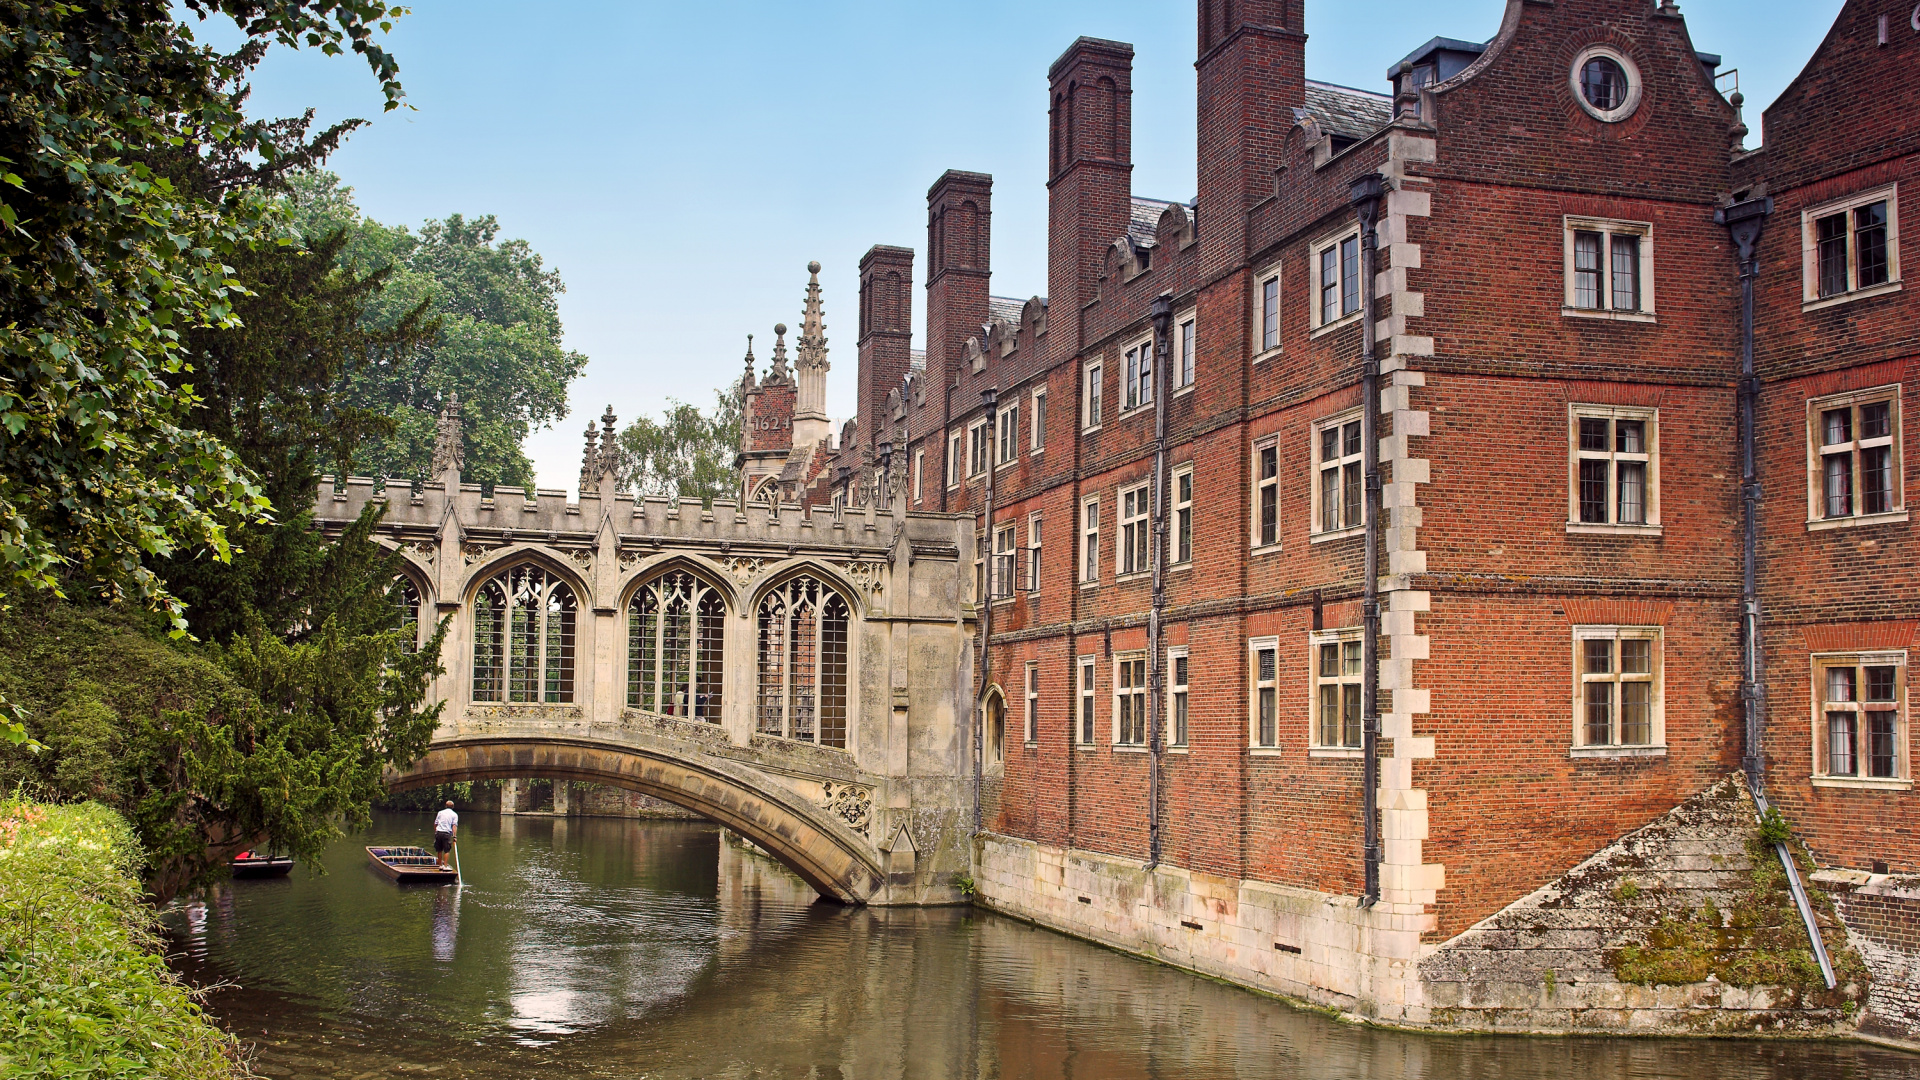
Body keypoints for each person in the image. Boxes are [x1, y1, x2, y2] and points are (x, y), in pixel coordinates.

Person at [433, 800, 458, 870]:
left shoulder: (440, 812)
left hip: (438, 832)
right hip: (446, 833)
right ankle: (445, 866)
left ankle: (440, 865)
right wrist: (454, 836)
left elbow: (435, 823)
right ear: (453, 807)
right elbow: (454, 826)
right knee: (447, 850)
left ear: (445, 806)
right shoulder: (454, 814)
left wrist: (436, 831)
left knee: (439, 849)